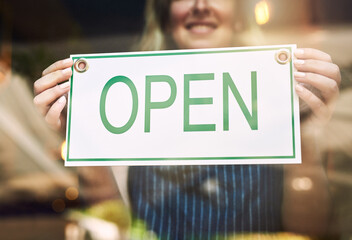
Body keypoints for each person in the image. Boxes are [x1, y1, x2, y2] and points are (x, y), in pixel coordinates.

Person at [33, 0, 341, 239]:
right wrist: (78, 135)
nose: (200, 5)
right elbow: (117, 226)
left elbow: (308, 229)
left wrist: (305, 131)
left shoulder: (278, 99)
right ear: (166, 16)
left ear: (238, 14)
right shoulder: (127, 102)